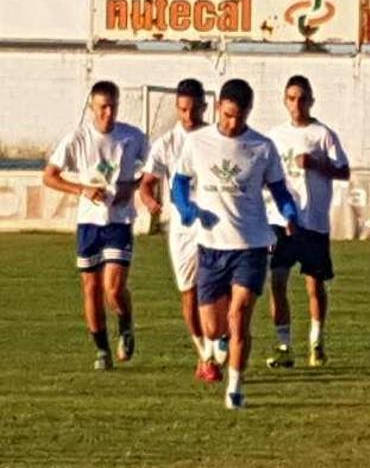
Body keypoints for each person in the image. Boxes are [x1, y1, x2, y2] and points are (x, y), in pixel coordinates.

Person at [171, 79, 298, 410]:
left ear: (248, 113)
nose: (232, 123)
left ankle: (235, 389)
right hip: (211, 246)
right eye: (227, 116)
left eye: (239, 118)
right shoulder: (197, 142)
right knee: (213, 328)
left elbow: (279, 189)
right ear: (218, 108)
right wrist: (186, 208)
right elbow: (179, 183)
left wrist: (287, 211)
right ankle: (219, 341)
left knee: (239, 315)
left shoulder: (262, 147)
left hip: (251, 244)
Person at [43, 80, 148, 370]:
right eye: (102, 107)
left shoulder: (132, 137)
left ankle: (125, 324)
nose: (108, 113)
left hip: (119, 221)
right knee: (91, 288)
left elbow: (155, 170)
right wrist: (82, 189)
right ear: (92, 108)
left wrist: (135, 186)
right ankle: (102, 350)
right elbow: (49, 175)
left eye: (113, 106)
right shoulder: (77, 138)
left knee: (112, 289)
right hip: (89, 222)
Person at [139, 78, 222, 382]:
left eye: (194, 109)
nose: (188, 116)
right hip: (182, 230)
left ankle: (218, 342)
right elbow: (146, 183)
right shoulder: (166, 143)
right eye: (183, 110)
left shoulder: (216, 137)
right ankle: (205, 355)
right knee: (188, 293)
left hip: (216, 225)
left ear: (204, 106)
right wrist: (149, 200)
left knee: (216, 290)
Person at [264, 75, 350, 369]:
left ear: (311, 100)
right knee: (277, 280)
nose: (296, 104)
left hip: (313, 221)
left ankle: (316, 340)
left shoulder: (322, 134)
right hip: (281, 220)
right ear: (285, 101)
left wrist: (316, 164)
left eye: (302, 98)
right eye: (291, 98)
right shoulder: (274, 136)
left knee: (314, 285)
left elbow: (344, 171)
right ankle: (284, 344)